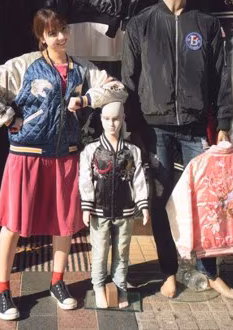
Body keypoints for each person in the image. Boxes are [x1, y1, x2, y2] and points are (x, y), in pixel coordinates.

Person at [0, 8, 127, 321]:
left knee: (64, 223)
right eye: (53, 31)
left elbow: (118, 89)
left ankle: (58, 281)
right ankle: (2, 290)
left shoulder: (82, 69)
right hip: (26, 155)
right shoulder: (23, 65)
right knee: (13, 224)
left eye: (63, 30)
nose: (61, 36)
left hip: (66, 155)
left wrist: (86, 100)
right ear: (41, 36)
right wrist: (8, 118)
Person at [121, 0, 233, 300]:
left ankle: (209, 271)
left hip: (195, 128)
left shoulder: (206, 24)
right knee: (160, 200)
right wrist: (134, 129)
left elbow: (222, 80)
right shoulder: (140, 24)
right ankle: (168, 270)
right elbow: (128, 80)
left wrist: (224, 123)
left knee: (204, 201)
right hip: (155, 132)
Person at [79, 100, 149, 309]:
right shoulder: (91, 150)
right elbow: (85, 178)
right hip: (99, 210)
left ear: (123, 119)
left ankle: (120, 285)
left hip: (125, 209)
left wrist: (143, 205)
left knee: (122, 249)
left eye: (116, 119)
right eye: (107, 119)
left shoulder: (132, 151)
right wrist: (86, 206)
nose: (112, 124)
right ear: (101, 119)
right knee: (100, 249)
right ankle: (98, 285)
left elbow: (138, 179)